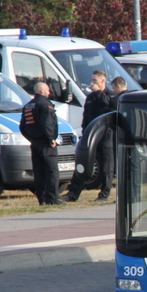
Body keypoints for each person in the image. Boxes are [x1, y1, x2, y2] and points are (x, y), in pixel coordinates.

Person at [61, 71, 115, 202]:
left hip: (105, 134)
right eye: (92, 80)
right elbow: (86, 116)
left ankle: (104, 194)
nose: (92, 83)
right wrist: (84, 132)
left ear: (103, 81)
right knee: (83, 162)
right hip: (91, 134)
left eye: (95, 80)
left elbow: (108, 105)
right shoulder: (90, 97)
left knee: (107, 166)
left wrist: (98, 93)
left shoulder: (110, 95)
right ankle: (73, 193)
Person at [21, 81, 64, 205]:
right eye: (47, 90)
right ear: (41, 91)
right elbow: (47, 123)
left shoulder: (28, 106)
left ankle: (42, 199)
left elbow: (23, 127)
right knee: (51, 171)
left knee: (39, 172)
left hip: (35, 143)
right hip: (46, 143)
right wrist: (51, 138)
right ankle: (53, 199)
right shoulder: (45, 104)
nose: (49, 92)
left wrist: (31, 139)